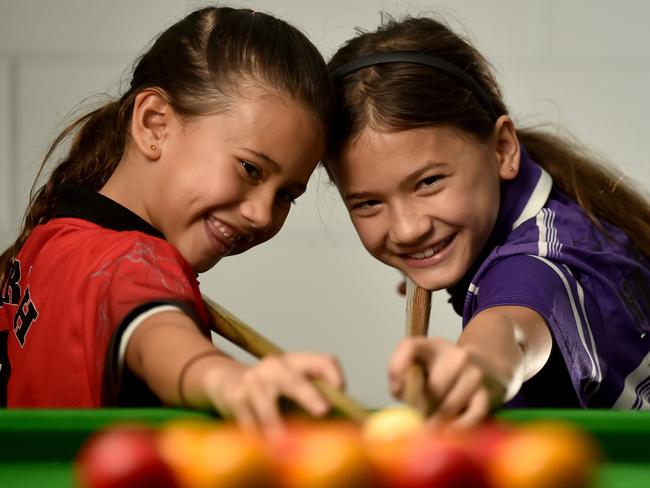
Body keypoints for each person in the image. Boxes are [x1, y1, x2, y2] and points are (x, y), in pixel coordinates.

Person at [0, 6, 344, 433]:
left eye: (286, 195)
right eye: (250, 169)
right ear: (154, 124)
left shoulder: (48, 240)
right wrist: (225, 379)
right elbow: (161, 338)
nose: (261, 213)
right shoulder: (135, 261)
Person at [325, 15, 650, 428]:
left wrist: (478, 364)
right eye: (369, 203)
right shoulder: (558, 213)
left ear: (502, 149)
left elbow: (510, 327)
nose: (407, 229)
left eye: (428, 182)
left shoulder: (532, 265)